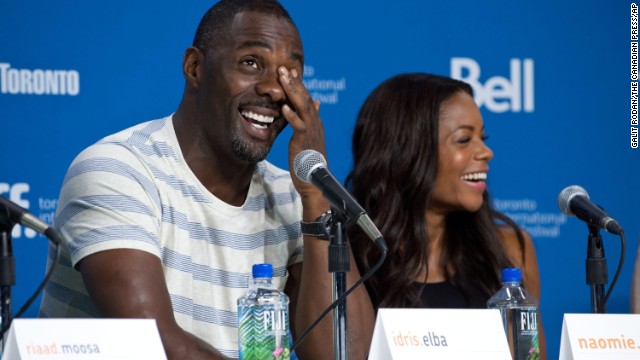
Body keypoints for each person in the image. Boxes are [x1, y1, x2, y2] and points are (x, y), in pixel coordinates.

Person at [38, 1, 374, 359]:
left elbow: (345, 355)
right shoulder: (118, 170)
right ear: (195, 67)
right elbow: (154, 344)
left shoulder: (292, 197)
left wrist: (316, 198)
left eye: (290, 73)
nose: (276, 90)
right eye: (251, 63)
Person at [345, 73, 547, 358]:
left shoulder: (511, 247)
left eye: (483, 137)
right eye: (464, 140)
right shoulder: (349, 256)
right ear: (407, 150)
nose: (486, 152)